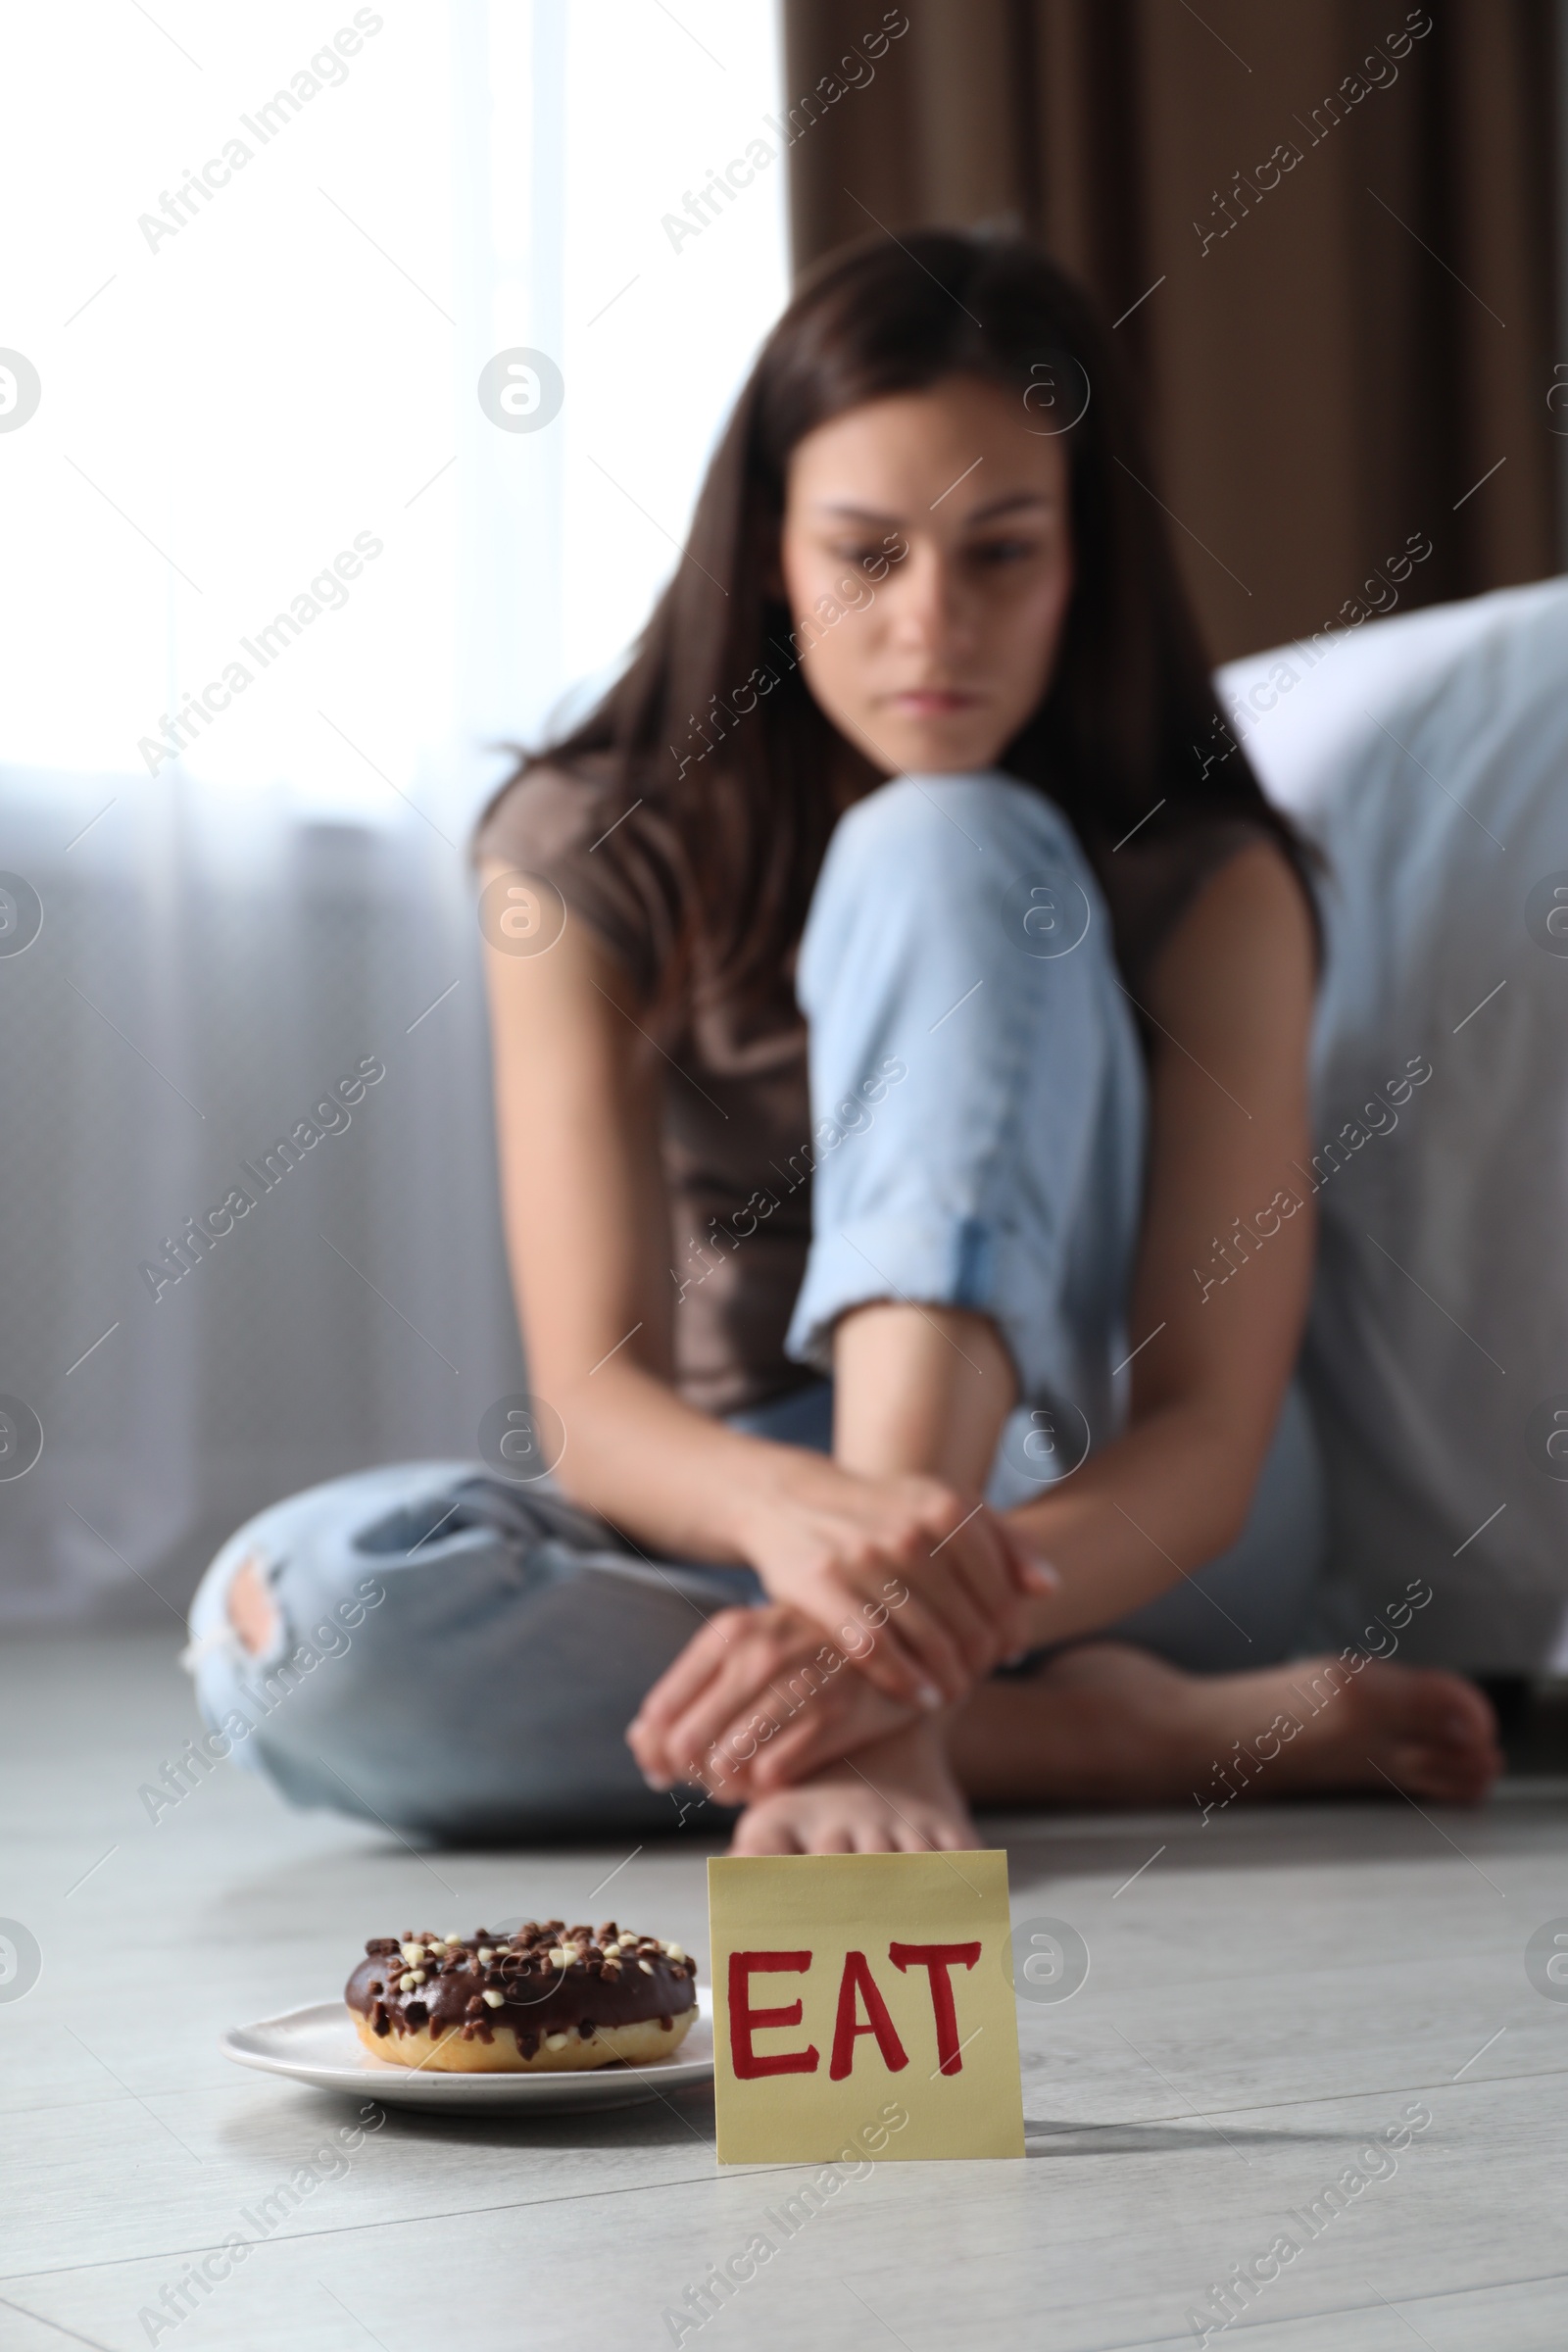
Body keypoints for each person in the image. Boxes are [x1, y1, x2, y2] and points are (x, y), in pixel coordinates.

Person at [186, 229, 1500, 1851]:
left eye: (1001, 552)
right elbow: (598, 1405)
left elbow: (1212, 1442)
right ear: (766, 556)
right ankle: (1095, 1744)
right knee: (299, 1624)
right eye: (867, 554)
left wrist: (879, 1627)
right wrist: (817, 1556)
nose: (932, 625)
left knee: (943, 845)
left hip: (1115, 1520)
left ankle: (899, 1714)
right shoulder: (582, 846)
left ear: (1083, 557)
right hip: (768, 1519)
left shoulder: (1213, 879)